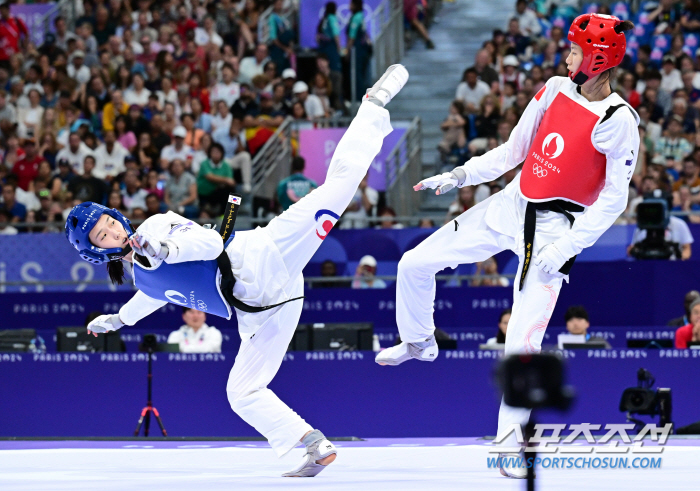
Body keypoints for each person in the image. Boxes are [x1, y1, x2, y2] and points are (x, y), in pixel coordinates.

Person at [64, 63, 408, 477]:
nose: (113, 231)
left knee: (338, 188)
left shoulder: (155, 227)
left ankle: (372, 105)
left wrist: (165, 247)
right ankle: (313, 443)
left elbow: (211, 242)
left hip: (266, 255)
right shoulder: (142, 275)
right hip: (266, 310)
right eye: (103, 235)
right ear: (98, 252)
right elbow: (151, 298)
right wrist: (115, 320)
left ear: (117, 215)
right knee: (241, 392)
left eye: (110, 222)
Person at [376, 15, 639, 480]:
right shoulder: (556, 87)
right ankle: (419, 342)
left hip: (555, 229)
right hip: (510, 204)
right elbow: (513, 151)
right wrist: (460, 175)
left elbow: (614, 200)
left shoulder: (618, 121)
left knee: (521, 343)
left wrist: (566, 250)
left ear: (599, 59)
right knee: (414, 262)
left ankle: (508, 447)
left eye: (575, 51)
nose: (567, 57)